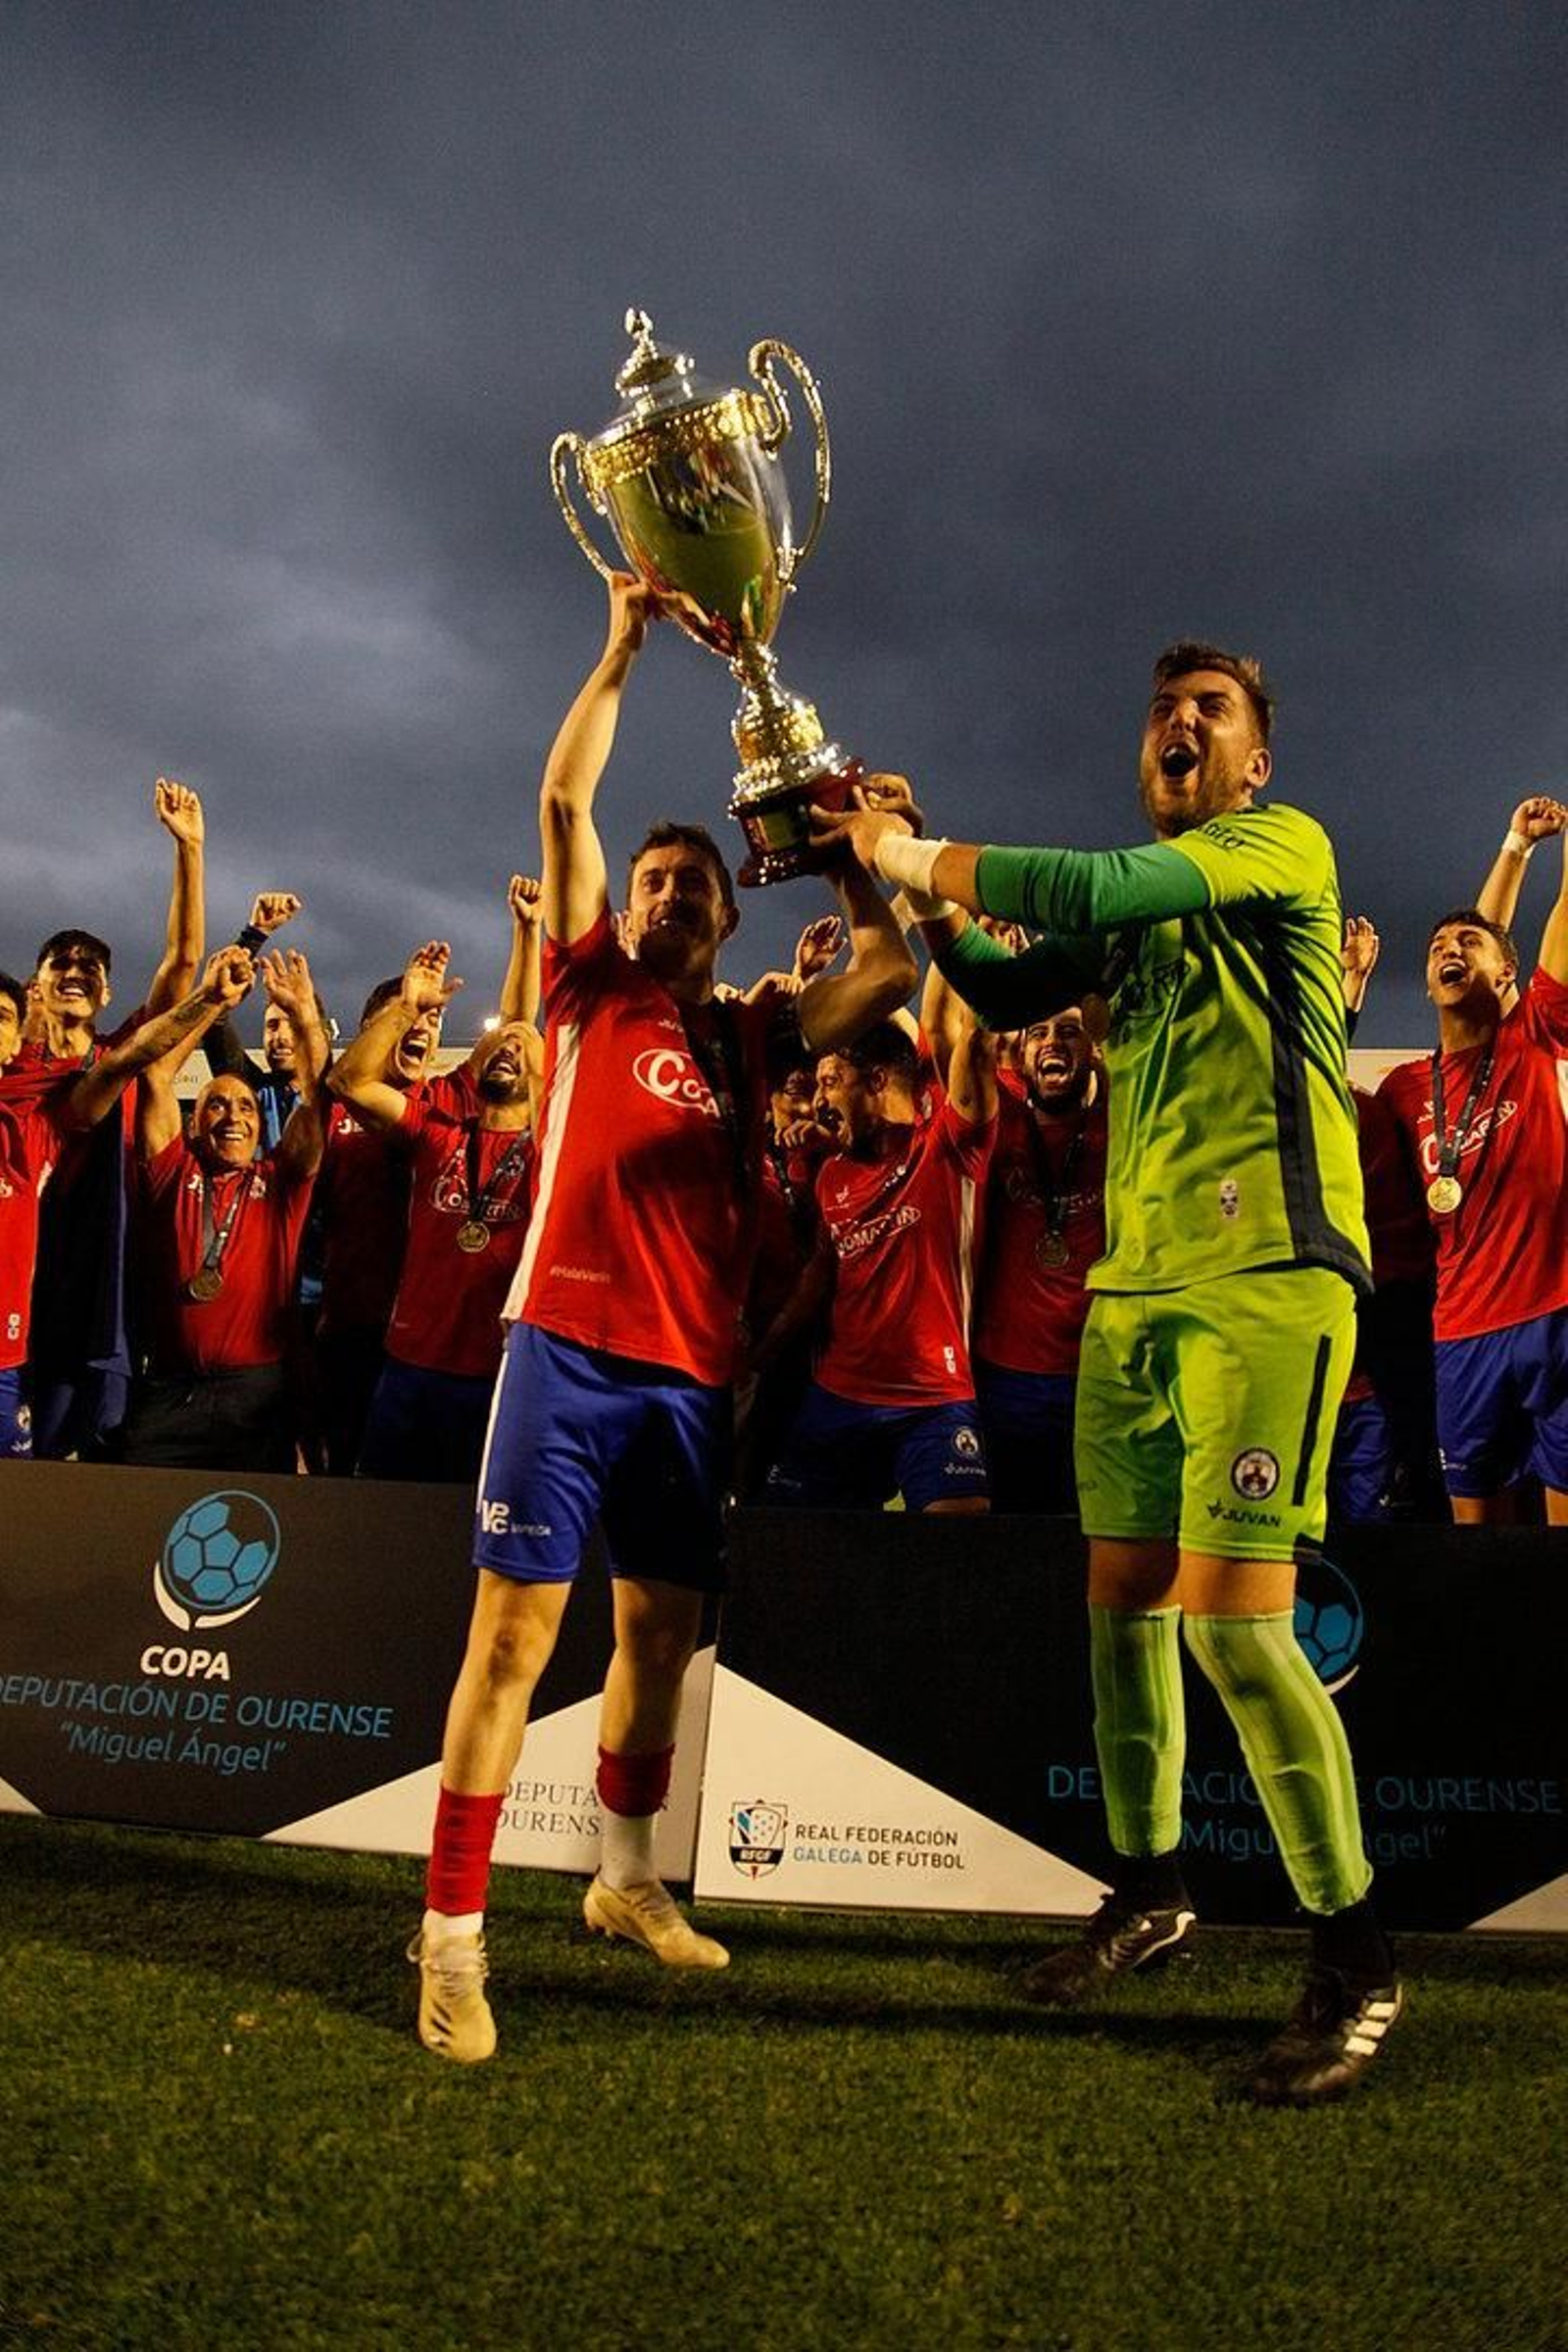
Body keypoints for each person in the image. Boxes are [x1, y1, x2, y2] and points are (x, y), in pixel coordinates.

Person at [815, 643, 1398, 2107]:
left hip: (1268, 1273)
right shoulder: (1138, 927)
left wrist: (910, 844)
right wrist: (885, 880)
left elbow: (1081, 891)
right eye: (1163, 713)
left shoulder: (1280, 848)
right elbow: (1000, 987)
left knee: (1238, 1633)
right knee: (1122, 1615)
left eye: (1211, 712)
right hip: (1130, 1296)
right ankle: (1150, 1894)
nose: (1181, 726)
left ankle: (1356, 1960)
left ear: (1256, 758)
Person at [407, 571, 916, 2063]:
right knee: (510, 1647)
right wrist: (619, 648)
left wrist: (841, 856)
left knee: (659, 1636)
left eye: (698, 883)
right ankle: (450, 1940)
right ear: (627, 910)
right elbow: (566, 801)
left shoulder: (753, 1032)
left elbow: (886, 969)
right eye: (657, 883)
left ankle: (626, 1885)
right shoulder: (584, 988)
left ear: (721, 908)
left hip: (689, 1383)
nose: (675, 896)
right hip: (562, 1350)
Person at [1378, 794, 1568, 1523]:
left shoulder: (1533, 1037)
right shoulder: (1401, 1091)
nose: (1449, 953)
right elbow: (1481, 941)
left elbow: (1541, 929)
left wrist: (1525, 848)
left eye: (1468, 946)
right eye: (1436, 950)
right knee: (1478, 1552)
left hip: (1554, 1317)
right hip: (1460, 1333)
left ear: (1510, 979)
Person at [26, 778, 207, 1457]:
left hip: (101, 1294)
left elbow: (183, 962)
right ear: (37, 983)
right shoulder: (13, 1072)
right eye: (61, 962)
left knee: (89, 1462)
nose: (76, 971)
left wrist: (189, 849)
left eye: (91, 967)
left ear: (105, 992)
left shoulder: (123, 1055)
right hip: (19, 1284)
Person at [761, 1010, 995, 1512]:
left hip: (934, 1398)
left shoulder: (946, 1148)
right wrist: (763, 1349)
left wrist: (956, 938)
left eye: (831, 1082)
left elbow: (957, 1032)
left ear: (878, 1081)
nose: (819, 1100)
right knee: (782, 1544)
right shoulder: (833, 1175)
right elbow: (819, 1277)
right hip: (839, 1394)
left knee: (967, 1550)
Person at [327, 941, 539, 1482]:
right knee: (383, 1521)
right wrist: (407, 1006)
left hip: (500, 1379)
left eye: (524, 1044)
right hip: (407, 1370)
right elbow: (347, 1083)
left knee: (463, 1540)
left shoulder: (556, 1154)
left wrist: (530, 929)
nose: (508, 1048)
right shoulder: (436, 1132)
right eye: (499, 1043)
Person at [122, 947, 329, 1471]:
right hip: (170, 1389)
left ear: (261, 1128)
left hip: (256, 1395)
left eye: (246, 1107)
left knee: (255, 1534)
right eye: (216, 1103)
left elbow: (318, 1099)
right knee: (143, 1523)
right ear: (194, 1123)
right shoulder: (171, 1170)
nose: (232, 1116)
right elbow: (155, 1074)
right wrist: (211, 1000)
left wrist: (305, 1016)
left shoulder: (281, 1182)